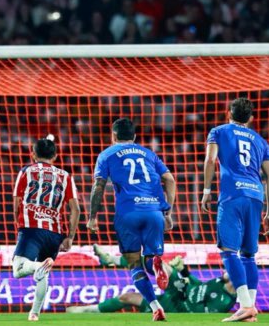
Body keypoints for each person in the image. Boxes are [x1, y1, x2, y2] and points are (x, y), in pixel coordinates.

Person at [87, 118, 176, 321]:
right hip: (154, 211)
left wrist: (92, 217)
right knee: (150, 258)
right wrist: (168, 212)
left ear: (114, 136)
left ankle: (155, 307)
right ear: (134, 137)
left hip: (128, 213)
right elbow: (169, 180)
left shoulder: (106, 154)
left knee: (133, 263)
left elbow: (98, 186)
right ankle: (155, 263)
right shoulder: (148, 153)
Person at [201, 98, 269, 322]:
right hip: (256, 196)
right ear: (250, 118)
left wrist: (206, 190)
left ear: (228, 112)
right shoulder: (260, 141)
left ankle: (246, 306)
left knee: (228, 251)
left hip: (232, 195)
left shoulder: (218, 131)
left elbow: (211, 160)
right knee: (249, 255)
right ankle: (250, 309)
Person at [12, 136, 80, 321]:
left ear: (33, 154)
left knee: (18, 269)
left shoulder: (26, 171)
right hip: (55, 233)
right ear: (55, 156)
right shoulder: (66, 176)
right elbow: (76, 209)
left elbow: (17, 200)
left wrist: (18, 224)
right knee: (42, 274)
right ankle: (34, 313)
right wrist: (70, 237)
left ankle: (39, 266)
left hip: (32, 227)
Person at [68, 250, 236, 314]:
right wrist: (184, 271)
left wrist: (182, 290)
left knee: (128, 298)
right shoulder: (220, 281)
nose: (224, 270)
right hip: (176, 294)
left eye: (228, 270)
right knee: (159, 267)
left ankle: (84, 311)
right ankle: (111, 259)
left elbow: (199, 316)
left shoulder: (225, 301)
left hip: (177, 308)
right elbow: (199, 288)